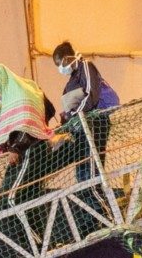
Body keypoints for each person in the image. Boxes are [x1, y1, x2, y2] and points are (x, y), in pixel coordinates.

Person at [52, 41, 120, 182]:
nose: (60, 69)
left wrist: (77, 113)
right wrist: (65, 122)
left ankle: (96, 199)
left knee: (92, 169)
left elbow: (91, 94)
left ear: (66, 58)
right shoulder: (71, 81)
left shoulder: (86, 67)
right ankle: (88, 197)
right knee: (82, 171)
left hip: (94, 122)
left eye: (60, 64)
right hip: (81, 127)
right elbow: (70, 108)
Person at [0, 63, 60, 166]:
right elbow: (50, 109)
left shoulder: (19, 98)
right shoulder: (28, 87)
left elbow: (25, 126)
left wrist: (15, 149)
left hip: (26, 152)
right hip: (31, 146)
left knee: (14, 182)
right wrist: (43, 126)